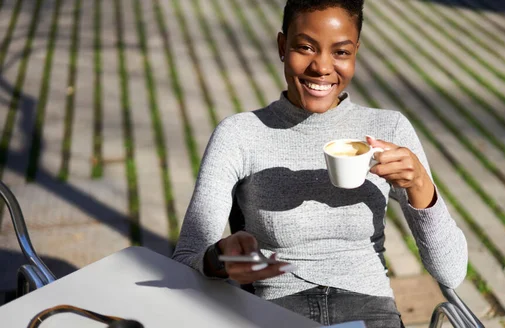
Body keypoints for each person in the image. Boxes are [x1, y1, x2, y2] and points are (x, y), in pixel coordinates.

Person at [172, 0, 468, 327]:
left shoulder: (388, 129)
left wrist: (420, 186)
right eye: (305, 47)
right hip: (276, 311)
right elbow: (186, 260)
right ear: (282, 46)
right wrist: (220, 259)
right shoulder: (240, 134)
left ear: (356, 51)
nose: (322, 67)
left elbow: (451, 272)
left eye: (340, 52)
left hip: (369, 310)